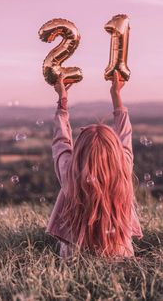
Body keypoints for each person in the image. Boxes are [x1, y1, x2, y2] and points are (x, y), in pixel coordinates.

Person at [45, 70, 143, 259]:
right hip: (120, 253)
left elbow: (61, 142)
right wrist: (116, 95)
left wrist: (62, 102)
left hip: (75, 255)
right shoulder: (122, 170)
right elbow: (125, 135)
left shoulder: (70, 175)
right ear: (116, 153)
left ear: (79, 154)